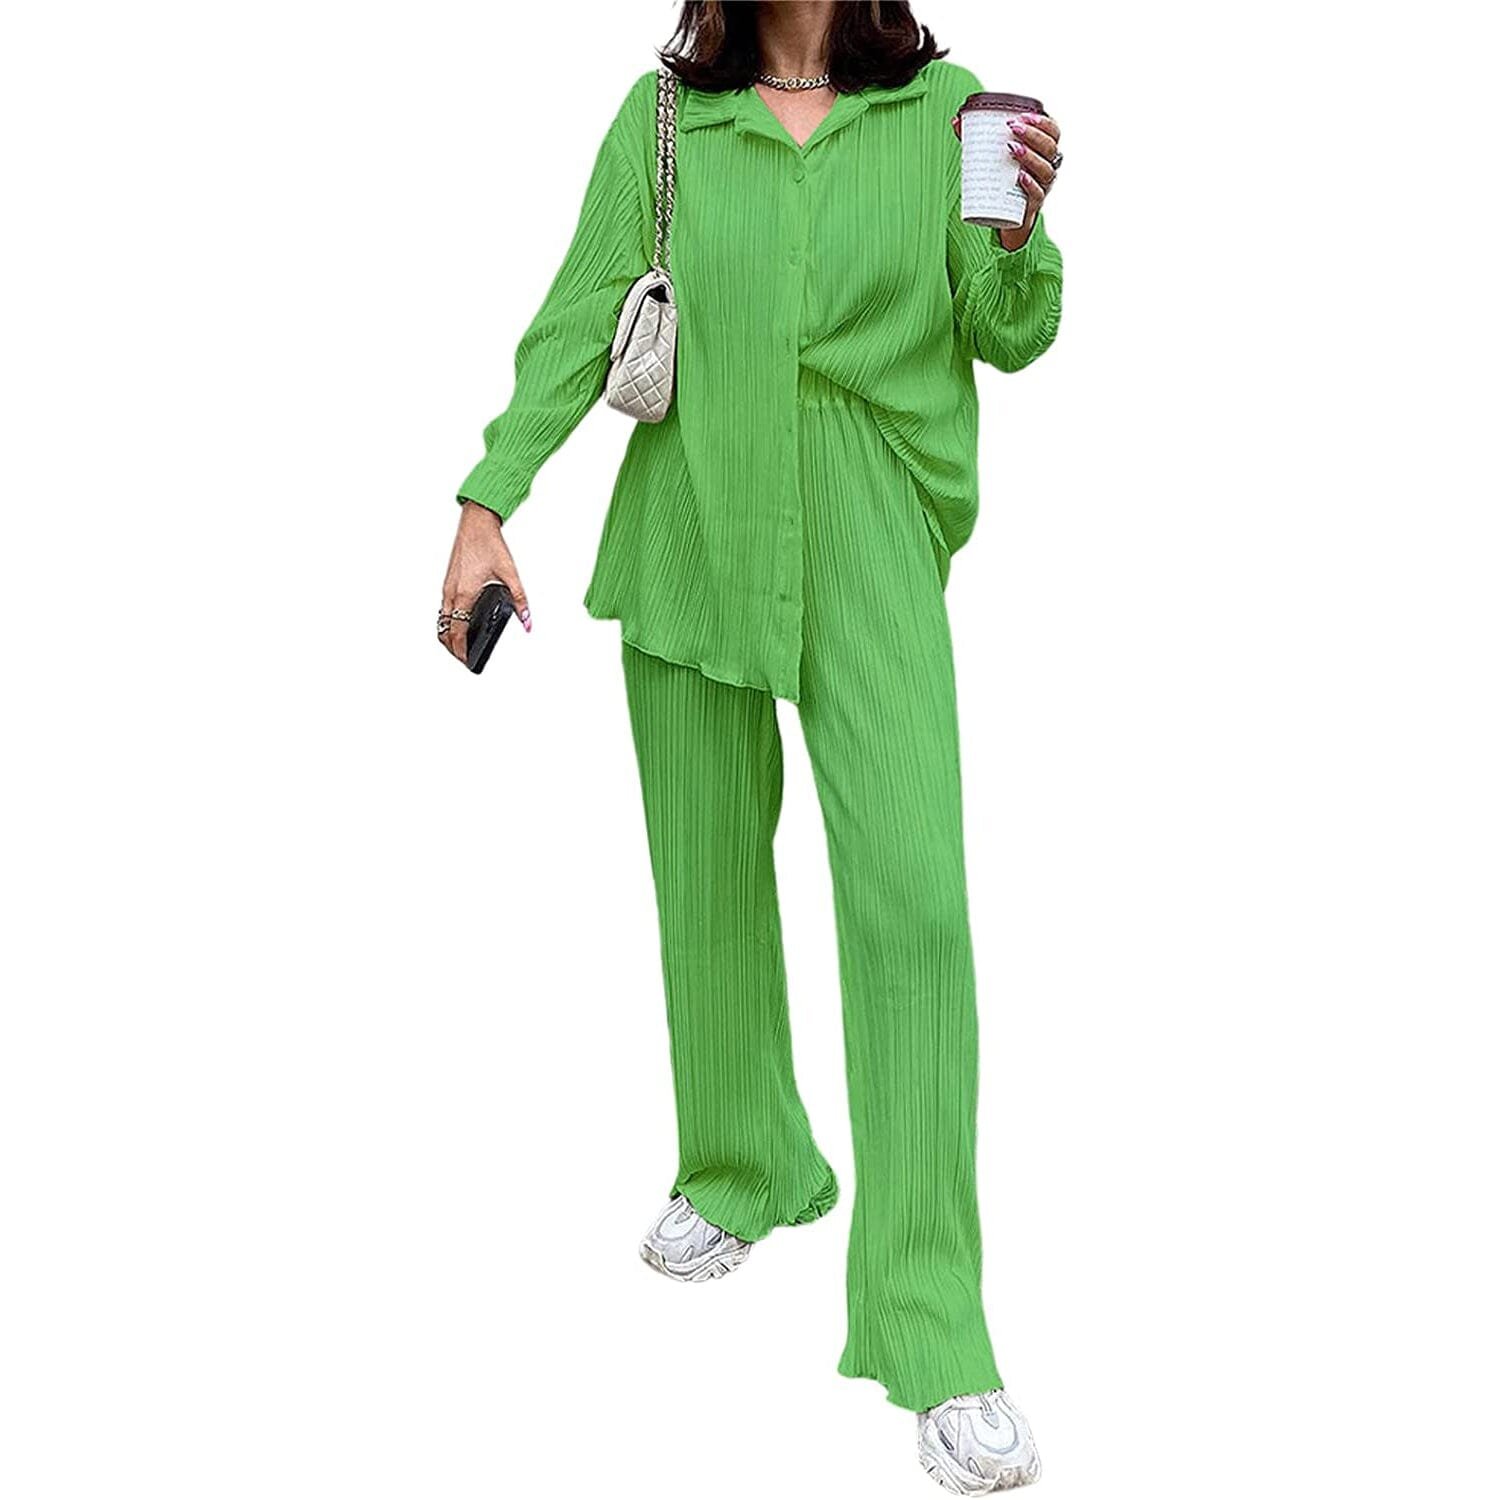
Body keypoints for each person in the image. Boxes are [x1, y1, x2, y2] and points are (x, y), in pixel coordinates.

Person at [437, 3, 1063, 1490]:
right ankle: (744, 1161)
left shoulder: (946, 112)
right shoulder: (668, 121)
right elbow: (583, 315)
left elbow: (1011, 334)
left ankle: (930, 1318)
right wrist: (486, 501)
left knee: (912, 906)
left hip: (867, 518)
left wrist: (1019, 234)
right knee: (707, 876)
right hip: (692, 514)